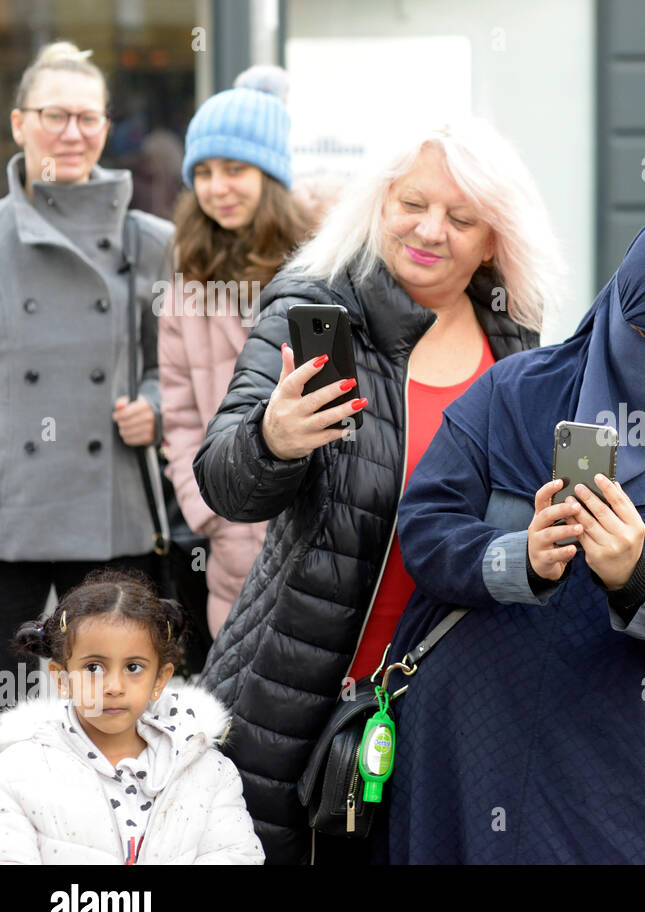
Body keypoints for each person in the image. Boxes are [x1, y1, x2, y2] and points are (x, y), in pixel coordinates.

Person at [194, 118, 564, 864]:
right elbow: (224, 482)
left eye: (461, 218)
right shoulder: (315, 306)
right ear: (379, 203)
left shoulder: (514, 338)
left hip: (452, 691)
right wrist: (274, 440)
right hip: (306, 681)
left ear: (495, 239)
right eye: (411, 204)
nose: (431, 231)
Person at [381, 211, 645, 864]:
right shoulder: (515, 392)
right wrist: (517, 558)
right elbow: (425, 529)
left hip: (614, 756)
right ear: (617, 305)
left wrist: (635, 580)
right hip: (467, 736)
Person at [0, 42, 173, 702]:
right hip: (10, 511)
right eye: (54, 115)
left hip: (109, 511)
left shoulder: (151, 241)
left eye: (88, 118)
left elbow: (175, 367)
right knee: (8, 708)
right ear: (20, 123)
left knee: (108, 705)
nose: (72, 134)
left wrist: (153, 407)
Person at [159, 66, 307, 645]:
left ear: (270, 175)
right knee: (238, 713)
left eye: (235, 169)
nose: (218, 186)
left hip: (318, 525)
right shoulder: (184, 281)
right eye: (204, 171)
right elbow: (179, 415)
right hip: (232, 536)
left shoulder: (317, 268)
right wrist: (208, 514)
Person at [0, 569, 264, 864]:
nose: (114, 687)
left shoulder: (205, 769)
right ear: (62, 679)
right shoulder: (19, 771)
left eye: (134, 667)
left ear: (160, 680)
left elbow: (237, 855)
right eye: (94, 668)